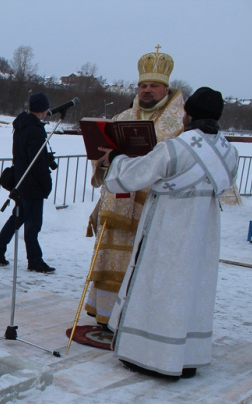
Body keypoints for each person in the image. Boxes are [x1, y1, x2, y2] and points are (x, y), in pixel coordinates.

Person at [98, 87, 238, 379]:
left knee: (159, 289)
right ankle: (186, 358)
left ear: (187, 114)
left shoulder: (177, 147)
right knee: (192, 292)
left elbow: (132, 176)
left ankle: (149, 356)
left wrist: (117, 159)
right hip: (203, 236)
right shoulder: (229, 151)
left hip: (168, 232)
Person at [84, 47, 185, 326]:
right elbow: (102, 160)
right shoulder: (122, 117)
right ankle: (105, 316)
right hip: (117, 203)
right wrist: (102, 160)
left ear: (166, 89)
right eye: (143, 85)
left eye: (153, 85)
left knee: (142, 265)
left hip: (150, 207)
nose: (147, 90)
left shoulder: (178, 124)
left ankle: (135, 320)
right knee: (109, 261)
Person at [0, 92, 55, 274]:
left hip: (20, 179)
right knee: (33, 224)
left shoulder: (21, 126)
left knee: (18, 217)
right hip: (32, 183)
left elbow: (25, 154)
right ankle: (34, 260)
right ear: (43, 109)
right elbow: (36, 161)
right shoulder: (35, 130)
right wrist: (46, 183)